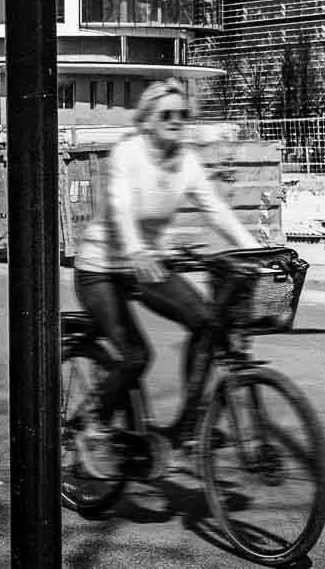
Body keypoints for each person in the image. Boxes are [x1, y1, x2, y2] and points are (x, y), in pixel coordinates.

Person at [71, 79, 261, 478]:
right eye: (167, 115)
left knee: (208, 321)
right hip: (101, 268)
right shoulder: (128, 153)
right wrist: (136, 248)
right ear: (147, 120)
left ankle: (184, 432)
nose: (176, 121)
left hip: (147, 266)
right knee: (135, 355)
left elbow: (215, 210)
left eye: (183, 115)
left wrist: (252, 250)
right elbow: (121, 206)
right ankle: (94, 420)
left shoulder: (186, 161)